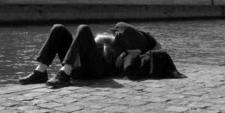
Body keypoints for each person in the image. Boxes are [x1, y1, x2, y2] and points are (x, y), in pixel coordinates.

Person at [19, 22, 164, 88]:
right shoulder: (113, 39)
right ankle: (40, 71)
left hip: (93, 70)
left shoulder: (133, 51)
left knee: (83, 29)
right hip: (83, 61)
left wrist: (131, 50)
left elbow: (157, 49)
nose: (117, 33)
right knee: (59, 29)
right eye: (117, 32)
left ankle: (65, 75)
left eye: (120, 34)